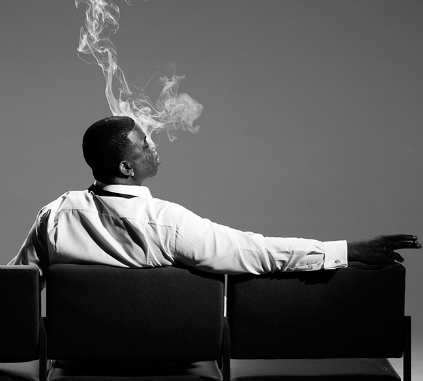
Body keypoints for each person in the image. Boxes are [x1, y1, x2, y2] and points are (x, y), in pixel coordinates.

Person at [9, 116, 421, 287]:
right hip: (167, 363)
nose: (154, 146)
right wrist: (347, 250)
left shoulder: (54, 216)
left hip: (75, 362)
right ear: (126, 167)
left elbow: (16, 288)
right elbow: (257, 252)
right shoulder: (166, 223)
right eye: (144, 144)